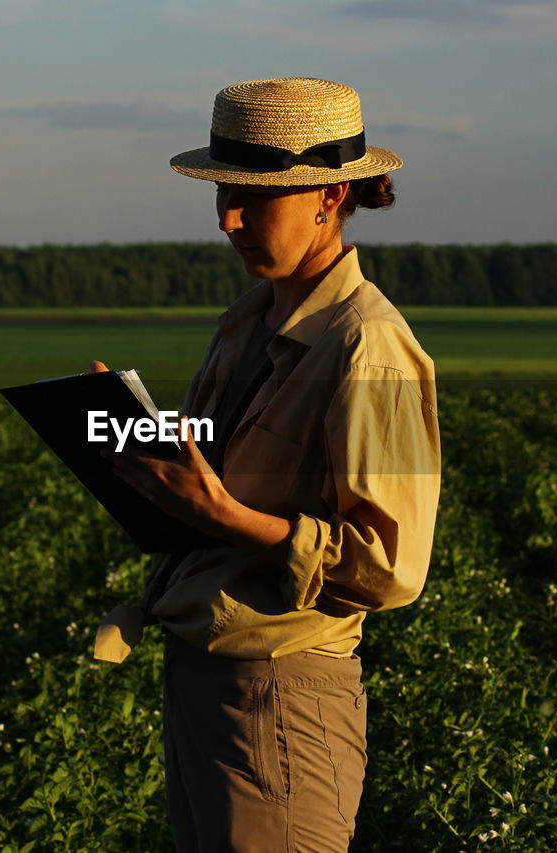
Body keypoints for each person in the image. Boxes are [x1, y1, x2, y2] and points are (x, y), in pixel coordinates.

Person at [92, 77, 441, 852]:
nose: (228, 219)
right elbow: (234, 464)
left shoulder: (368, 345)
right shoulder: (250, 320)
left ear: (331, 194)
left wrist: (227, 516)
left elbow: (392, 567)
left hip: (279, 697)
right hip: (205, 682)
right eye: (222, 192)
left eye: (256, 197)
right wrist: (130, 435)